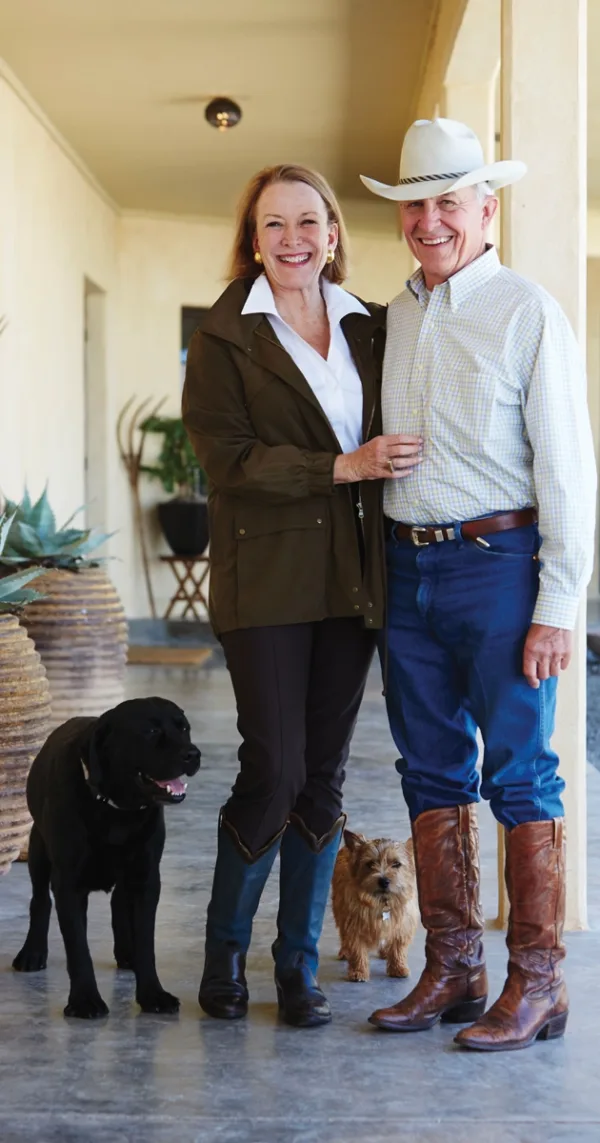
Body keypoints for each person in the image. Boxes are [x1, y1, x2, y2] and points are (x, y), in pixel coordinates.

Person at [359, 118, 597, 1051]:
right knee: (428, 770)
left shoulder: (528, 310)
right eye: (415, 205)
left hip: (500, 568)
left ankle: (539, 982)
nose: (430, 221)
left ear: (485, 208)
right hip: (406, 568)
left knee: (521, 772)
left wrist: (558, 605)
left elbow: (568, 469)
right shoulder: (393, 315)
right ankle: (455, 967)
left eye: (448, 202)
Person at [182, 164, 421, 1028]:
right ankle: (223, 956)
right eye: (274, 224)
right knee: (275, 767)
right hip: (267, 578)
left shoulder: (369, 325)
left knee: (322, 774)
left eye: (309, 221)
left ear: (333, 233)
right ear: (253, 239)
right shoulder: (224, 335)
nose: (293, 239)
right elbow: (229, 460)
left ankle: (295, 965)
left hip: (350, 577)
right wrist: (341, 466)